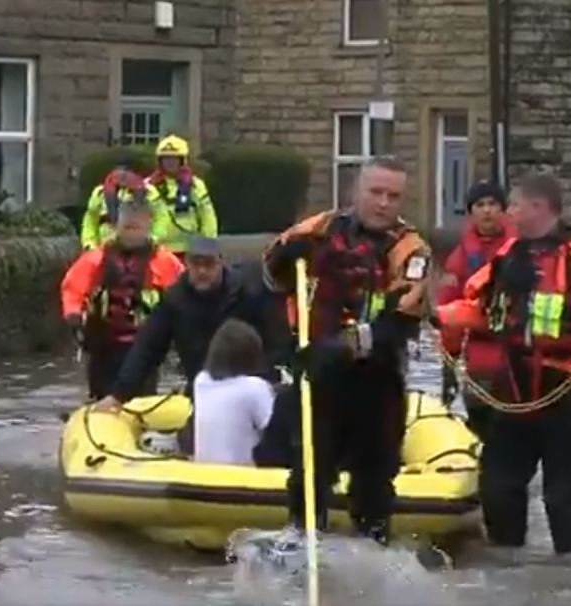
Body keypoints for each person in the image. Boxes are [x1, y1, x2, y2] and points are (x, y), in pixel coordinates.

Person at [432, 172, 571, 560]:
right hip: (514, 388)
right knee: (498, 485)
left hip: (568, 387)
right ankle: (507, 567)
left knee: (563, 492)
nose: (505, 212)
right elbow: (480, 310)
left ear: (537, 207)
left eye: (512, 204)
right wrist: (434, 317)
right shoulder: (509, 256)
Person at [261, 157, 432, 545]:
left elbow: (400, 319)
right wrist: (282, 261)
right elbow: (271, 275)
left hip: (377, 379)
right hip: (319, 374)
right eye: (376, 192)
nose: (384, 203)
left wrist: (344, 346)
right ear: (356, 191)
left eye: (394, 196)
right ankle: (302, 544)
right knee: (308, 470)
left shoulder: (412, 249)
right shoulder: (319, 229)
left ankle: (371, 553)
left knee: (374, 480)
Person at [93, 236, 286, 452]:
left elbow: (276, 337)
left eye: (209, 264)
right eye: (196, 264)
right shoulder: (175, 300)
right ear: (186, 264)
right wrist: (119, 394)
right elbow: (147, 348)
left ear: (221, 263)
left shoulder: (247, 293)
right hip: (205, 388)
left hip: (252, 382)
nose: (202, 271)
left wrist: (275, 376)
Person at [61, 201, 184, 400]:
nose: (131, 234)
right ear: (116, 226)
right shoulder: (96, 259)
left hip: (145, 345)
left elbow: (182, 295)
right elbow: (73, 287)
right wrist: (73, 315)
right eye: (127, 227)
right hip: (104, 343)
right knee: (102, 395)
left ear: (147, 227)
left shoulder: (164, 262)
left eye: (136, 228)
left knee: (142, 397)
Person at [436, 179, 516, 440]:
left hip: (518, 356)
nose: (487, 211)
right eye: (480, 205)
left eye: (493, 204)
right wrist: (449, 365)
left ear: (503, 209)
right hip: (479, 358)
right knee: (482, 426)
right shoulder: (459, 259)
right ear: (471, 213)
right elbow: (448, 314)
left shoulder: (524, 249)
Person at [192, 319, 276, 465]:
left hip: (204, 476)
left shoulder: (200, 381)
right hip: (242, 479)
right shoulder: (255, 388)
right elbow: (275, 432)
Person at [147, 135, 219, 256]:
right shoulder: (148, 186)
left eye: (174, 159)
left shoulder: (195, 185)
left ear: (182, 161)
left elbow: (207, 216)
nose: (170, 163)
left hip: (190, 249)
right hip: (158, 250)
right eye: (166, 159)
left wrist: (207, 247)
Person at [80, 165, 164, 251]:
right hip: (106, 247)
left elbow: (161, 216)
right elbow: (91, 219)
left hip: (141, 246)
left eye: (126, 175)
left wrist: (155, 238)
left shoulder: (148, 191)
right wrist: (89, 243)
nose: (122, 178)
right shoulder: (100, 192)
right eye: (118, 175)